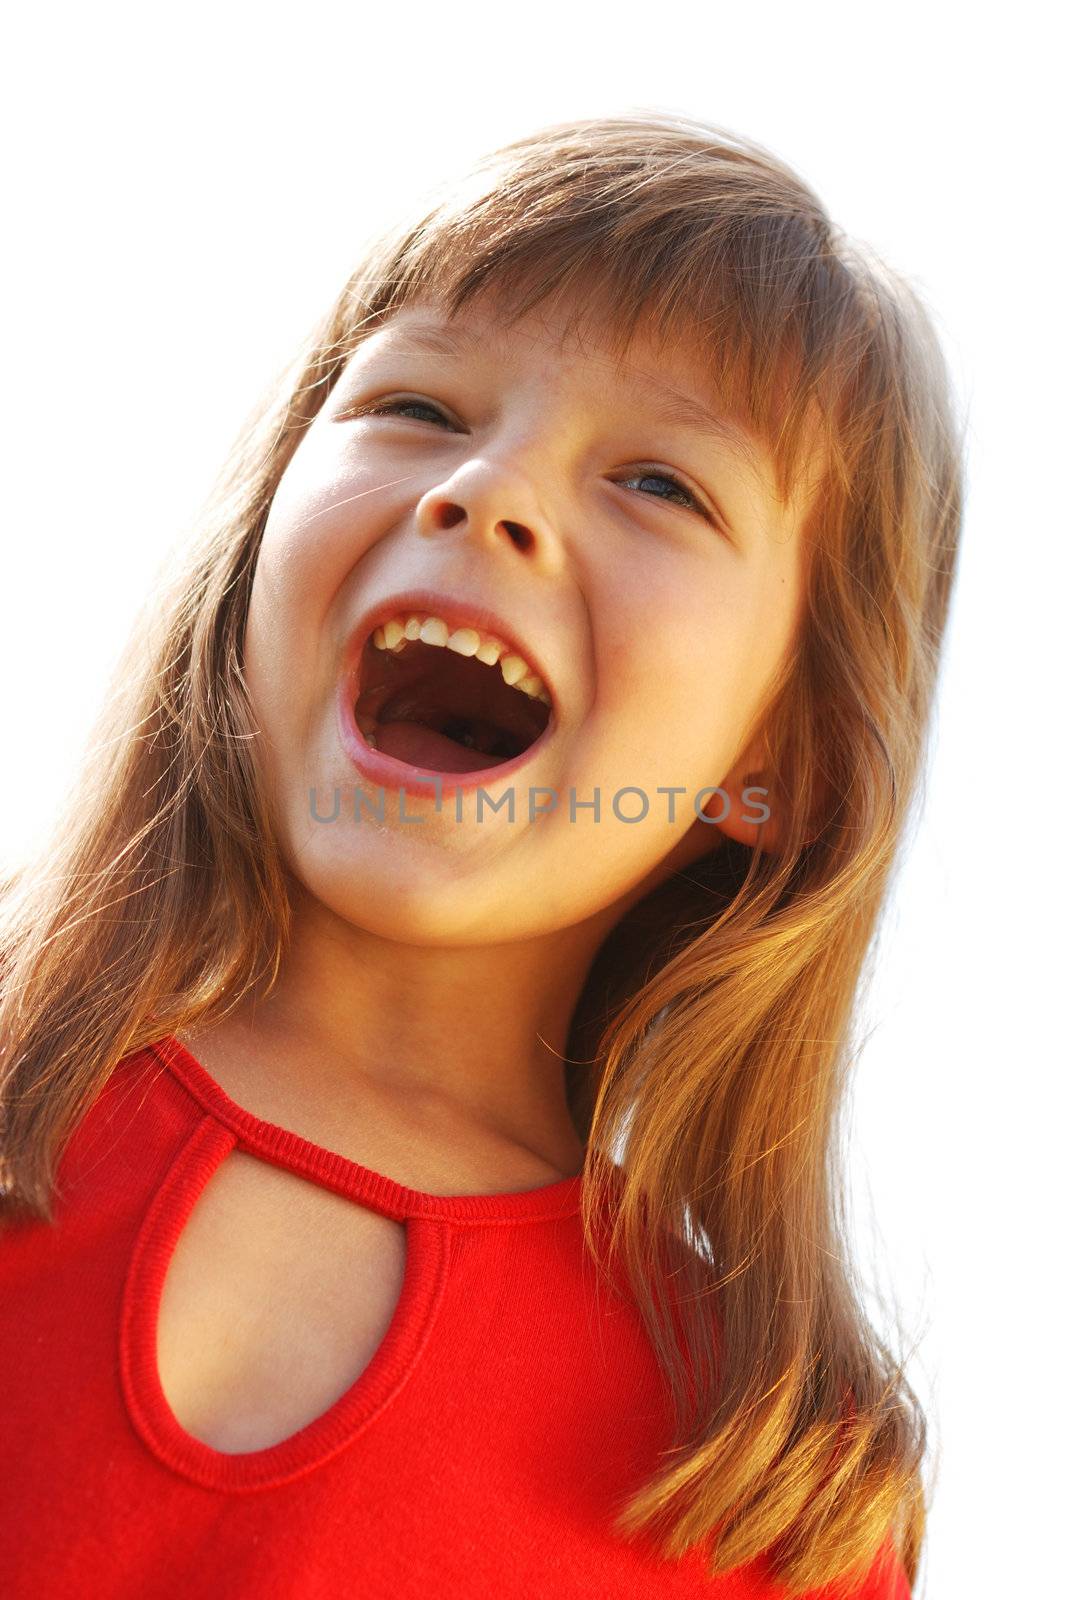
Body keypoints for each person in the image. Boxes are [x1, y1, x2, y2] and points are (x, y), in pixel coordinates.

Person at [0, 111, 962, 1597]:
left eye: (660, 485)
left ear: (789, 764)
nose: (485, 492)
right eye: (423, 412)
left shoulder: (780, 1491)